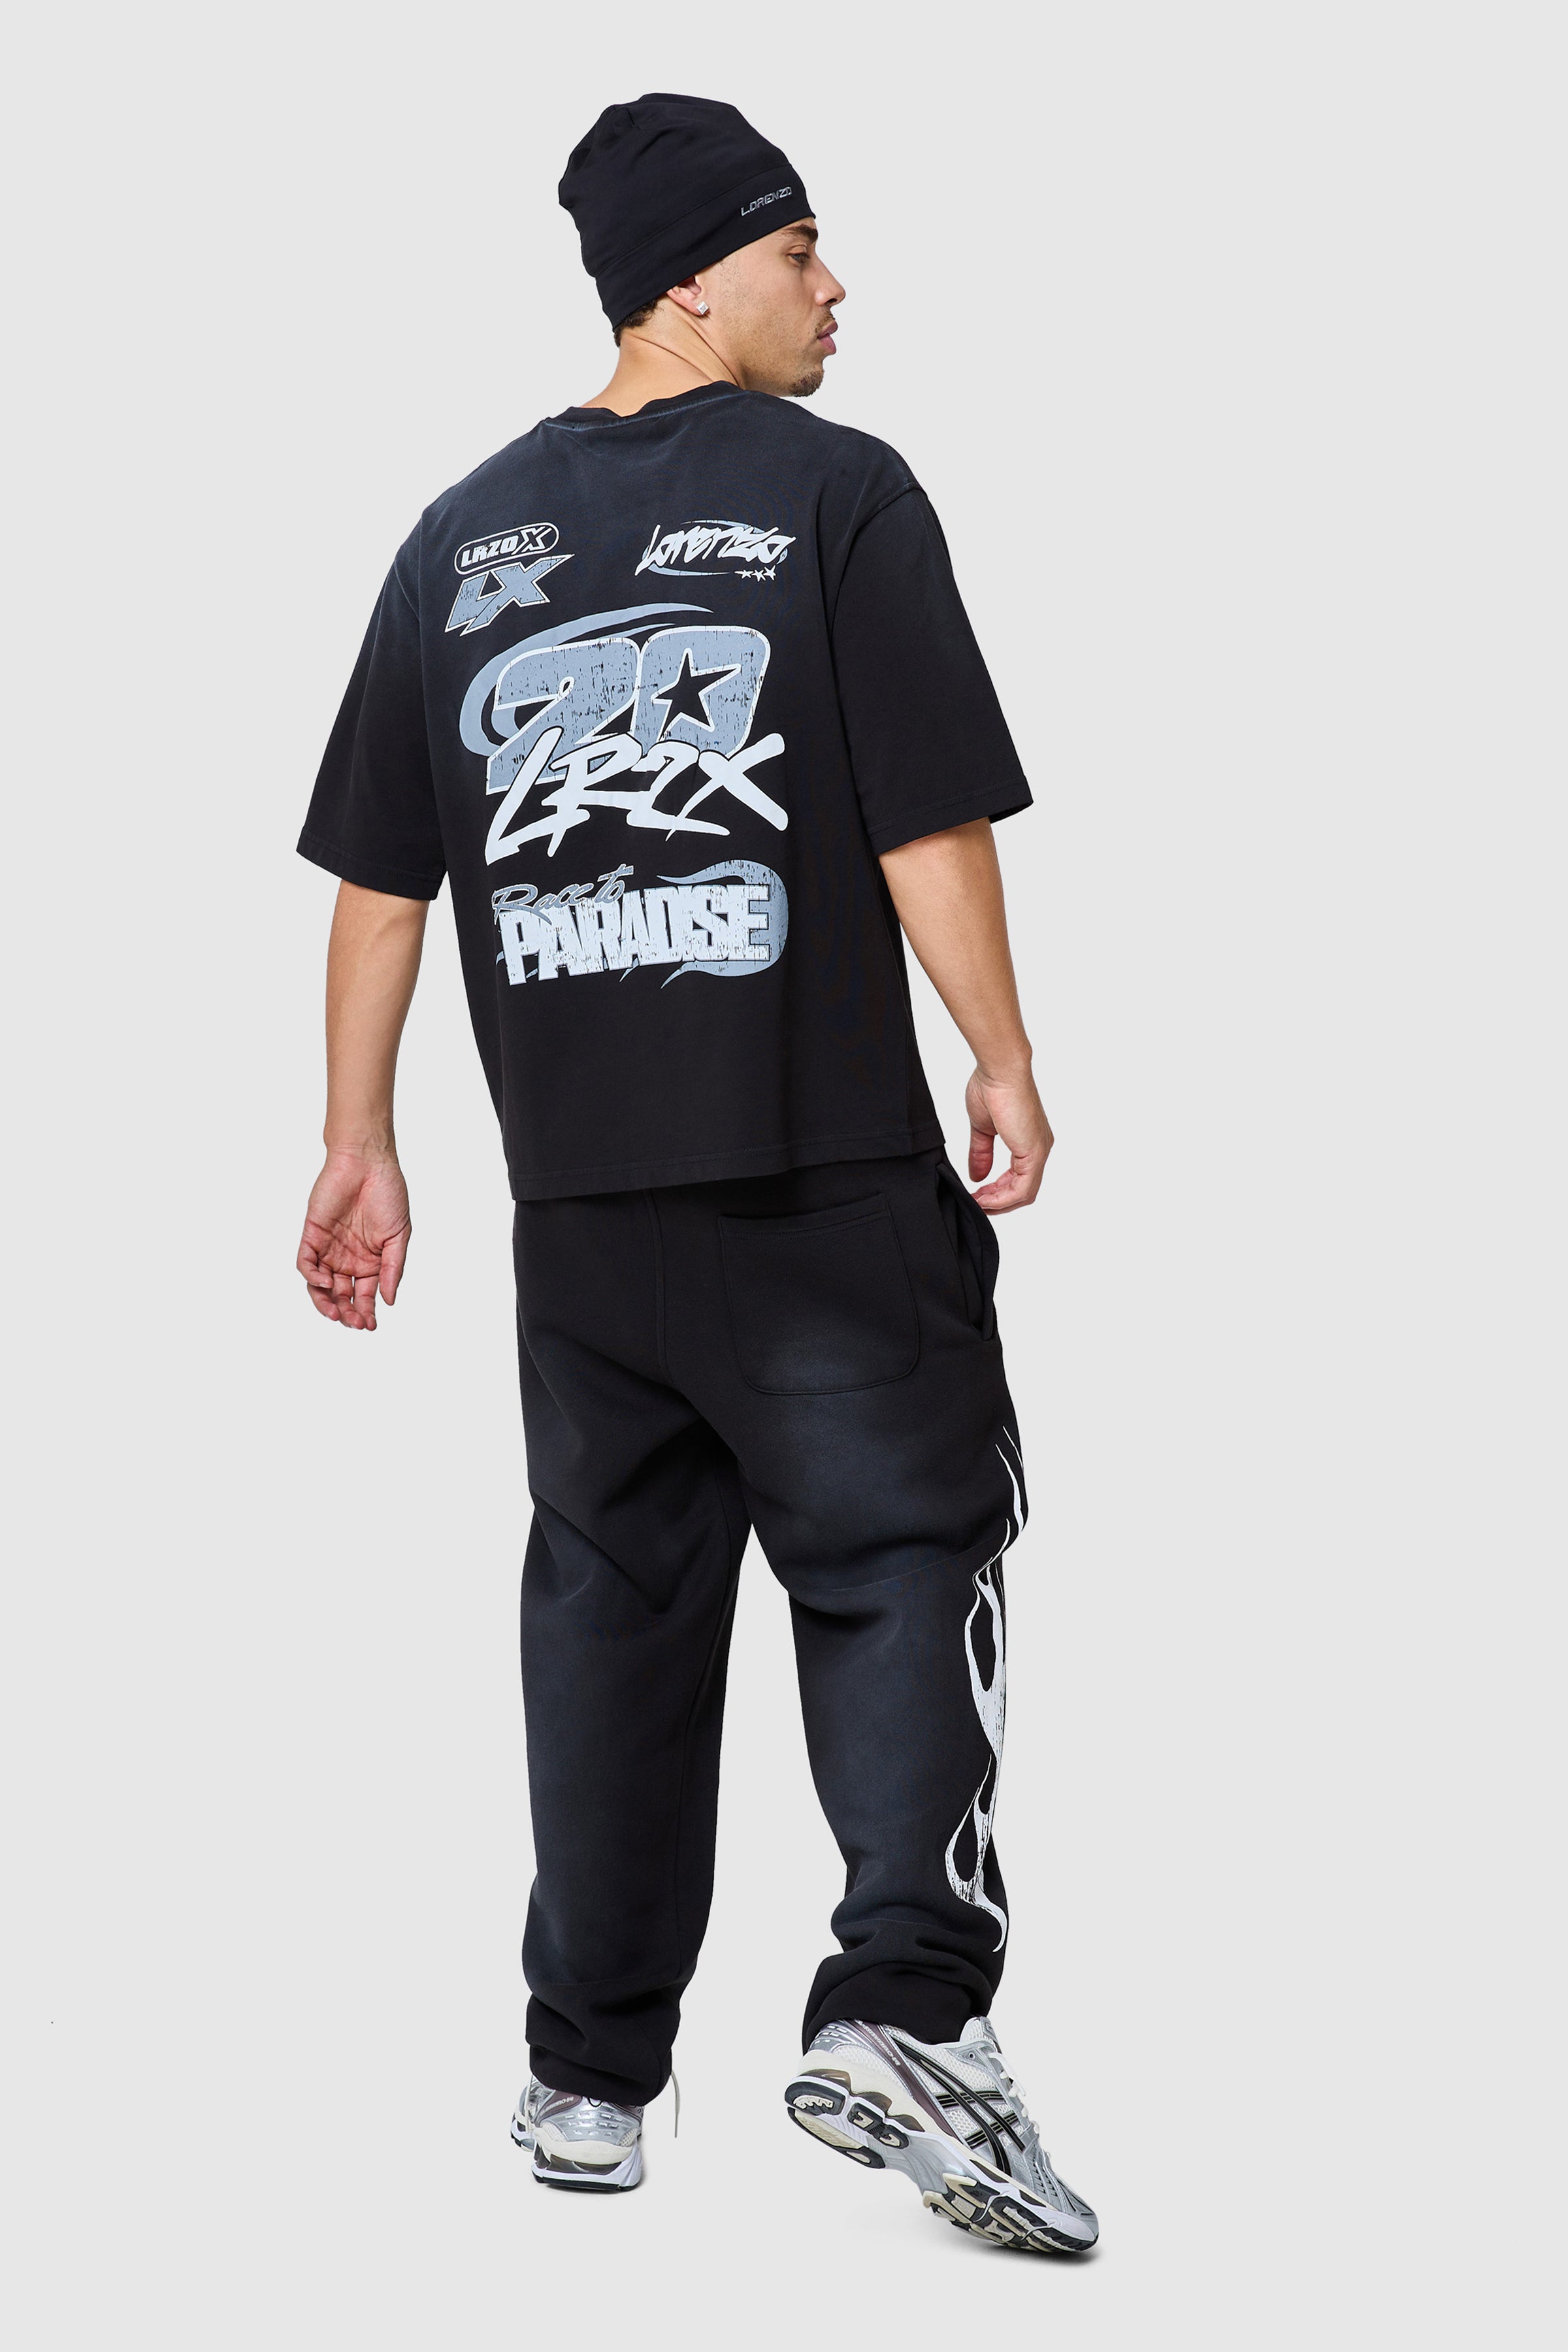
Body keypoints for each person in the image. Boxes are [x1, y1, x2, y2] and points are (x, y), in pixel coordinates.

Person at [295, 91, 1098, 2255]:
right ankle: (907, 2014)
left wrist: (360, 1142)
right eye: (803, 251)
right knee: (908, 1550)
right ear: (692, 276)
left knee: (614, 1609)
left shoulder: (460, 538)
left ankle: (586, 2073)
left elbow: (381, 881)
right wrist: (1002, 1050)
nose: (837, 291)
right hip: (819, 1177)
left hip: (582, 1219)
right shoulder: (840, 493)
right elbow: (927, 813)